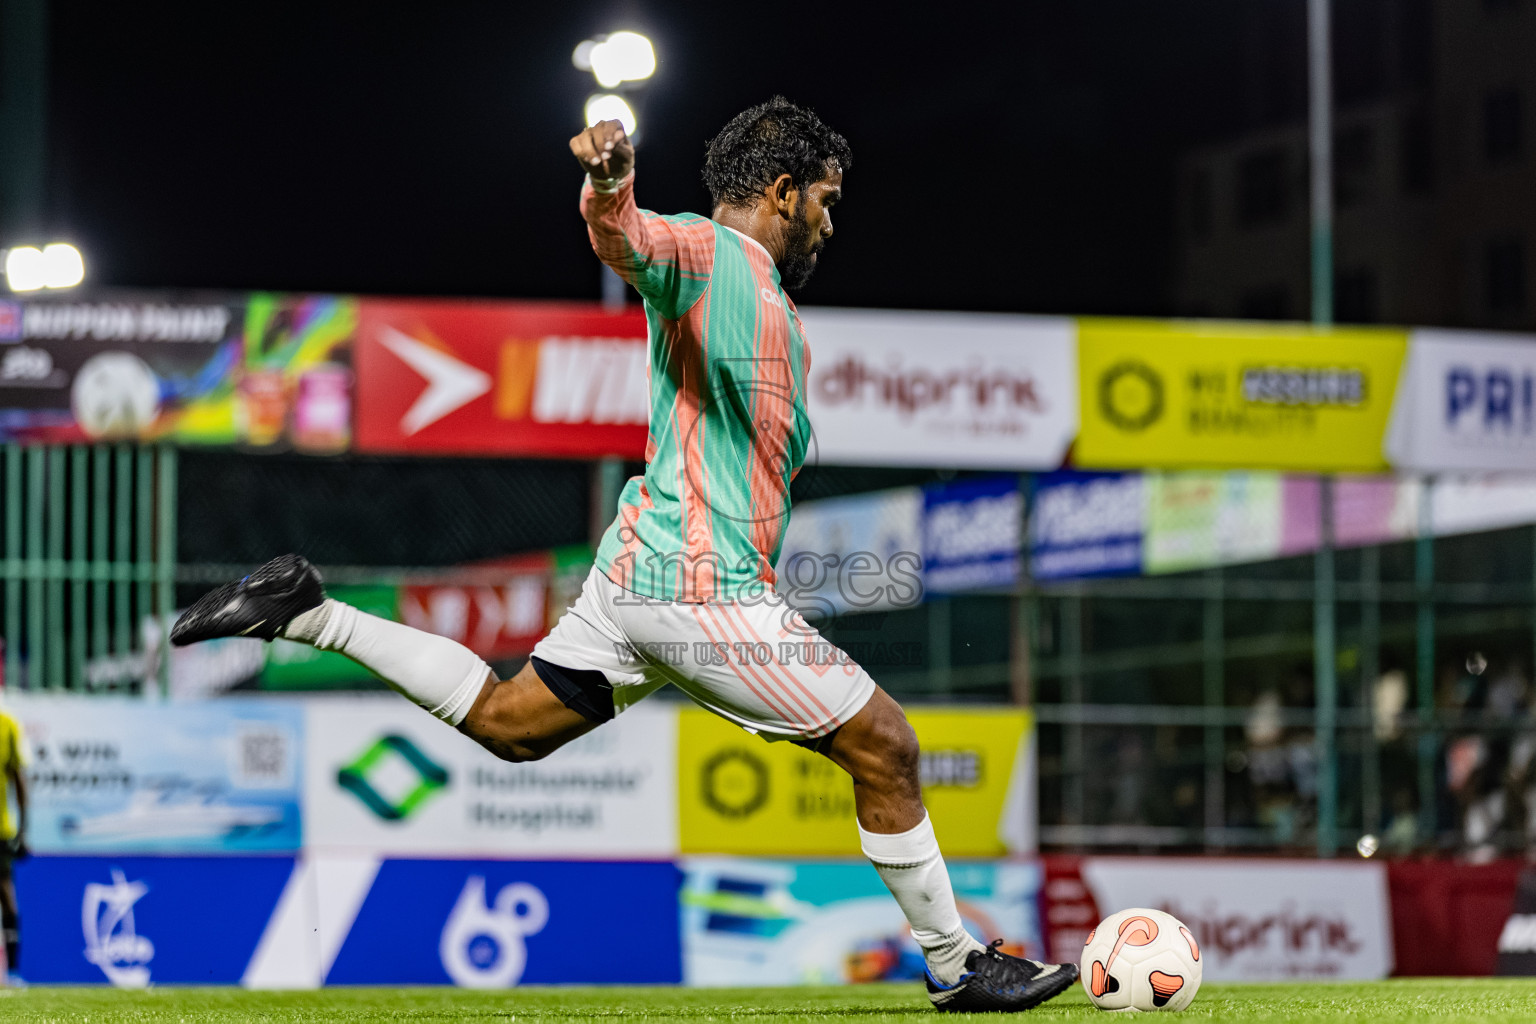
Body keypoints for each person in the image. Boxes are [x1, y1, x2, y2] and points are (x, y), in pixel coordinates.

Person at [172, 96, 1077, 1011]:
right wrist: (609, 180)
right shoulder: (714, 255)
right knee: (886, 745)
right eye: (827, 200)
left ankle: (307, 609)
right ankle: (958, 966)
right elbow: (628, 240)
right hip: (695, 583)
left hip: (641, 573)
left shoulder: (762, 298)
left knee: (509, 725)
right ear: (782, 189)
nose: (830, 222)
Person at [0, 703, 26, 984]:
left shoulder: (7, 724)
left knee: (6, 896)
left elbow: (18, 780)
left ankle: (14, 971)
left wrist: (24, 830)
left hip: (0, 828)